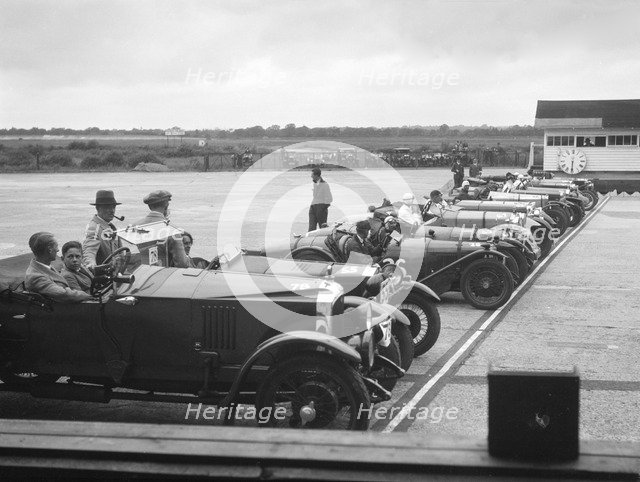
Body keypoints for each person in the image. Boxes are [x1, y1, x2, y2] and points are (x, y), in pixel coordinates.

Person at [25, 232, 93, 302]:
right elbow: (63, 294)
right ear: (49, 249)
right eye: (56, 246)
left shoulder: (45, 267)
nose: (57, 250)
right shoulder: (36, 276)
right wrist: (89, 296)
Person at [133, 190, 190, 268]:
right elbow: (182, 264)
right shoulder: (172, 230)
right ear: (166, 205)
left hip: (142, 272)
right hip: (163, 275)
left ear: (149, 207)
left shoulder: (135, 226)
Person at [82, 190, 122, 270]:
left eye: (113, 207)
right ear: (98, 208)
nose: (112, 211)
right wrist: (91, 264)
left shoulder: (110, 227)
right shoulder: (94, 227)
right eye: (108, 207)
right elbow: (89, 250)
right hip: (105, 276)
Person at [308, 167, 333, 231]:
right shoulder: (315, 183)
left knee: (323, 229)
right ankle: (308, 240)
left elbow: (330, 199)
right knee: (311, 229)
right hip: (313, 209)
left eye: (312, 175)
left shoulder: (325, 185)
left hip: (321, 210)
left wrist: (322, 208)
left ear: (316, 175)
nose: (311, 176)